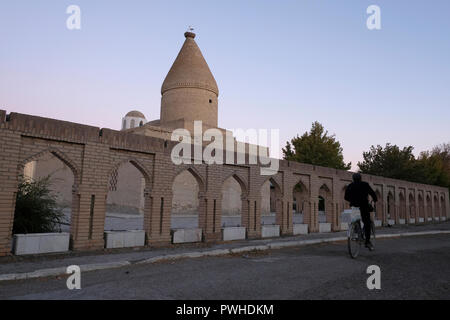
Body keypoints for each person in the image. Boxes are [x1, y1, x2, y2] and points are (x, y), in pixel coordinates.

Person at [344, 173, 378, 251]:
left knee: (355, 219)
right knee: (367, 223)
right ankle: (367, 242)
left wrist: (353, 200)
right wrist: (375, 199)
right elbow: (372, 193)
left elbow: (346, 197)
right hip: (364, 207)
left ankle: (356, 231)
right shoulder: (365, 184)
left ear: (353, 179)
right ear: (360, 178)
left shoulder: (350, 186)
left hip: (354, 206)